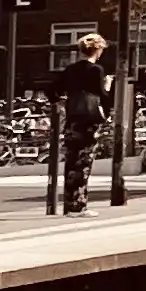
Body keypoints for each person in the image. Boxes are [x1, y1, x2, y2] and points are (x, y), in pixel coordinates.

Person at [50, 32, 112, 212]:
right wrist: (107, 86)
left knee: (71, 161)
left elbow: (52, 90)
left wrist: (62, 103)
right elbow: (102, 96)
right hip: (89, 121)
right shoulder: (96, 70)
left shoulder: (70, 70)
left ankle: (69, 204)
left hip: (72, 120)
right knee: (84, 161)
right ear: (97, 50)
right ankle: (79, 205)